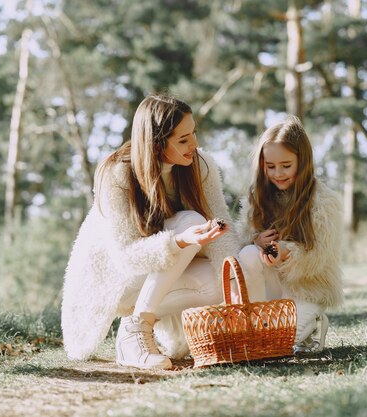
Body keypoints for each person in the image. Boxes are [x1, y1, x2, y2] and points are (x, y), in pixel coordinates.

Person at [61, 93, 240, 370]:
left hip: (163, 276)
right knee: (192, 220)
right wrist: (179, 241)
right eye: (183, 140)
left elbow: (222, 230)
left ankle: (138, 328)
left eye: (193, 133)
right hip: (116, 281)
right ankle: (137, 329)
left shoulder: (200, 166)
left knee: (219, 281)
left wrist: (236, 291)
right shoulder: (118, 174)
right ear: (155, 144)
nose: (195, 144)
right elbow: (125, 258)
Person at [235, 115, 343, 354]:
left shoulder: (324, 202)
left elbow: (319, 257)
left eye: (286, 165)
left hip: (306, 286)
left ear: (302, 161)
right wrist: (256, 240)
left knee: (285, 340)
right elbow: (242, 238)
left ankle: (312, 319)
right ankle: (256, 321)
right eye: (270, 166)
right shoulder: (258, 196)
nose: (278, 174)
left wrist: (286, 252)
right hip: (271, 285)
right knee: (249, 252)